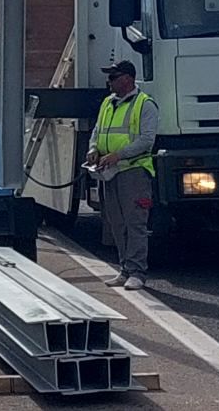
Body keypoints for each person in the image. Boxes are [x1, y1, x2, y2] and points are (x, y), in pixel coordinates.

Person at [85, 60, 158, 290]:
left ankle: (137, 271)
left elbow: (146, 140)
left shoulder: (145, 105)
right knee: (116, 223)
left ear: (127, 79)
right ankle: (125, 269)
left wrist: (118, 155)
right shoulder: (108, 103)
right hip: (109, 172)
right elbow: (97, 131)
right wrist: (93, 150)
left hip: (133, 171)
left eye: (113, 77)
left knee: (135, 222)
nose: (109, 82)